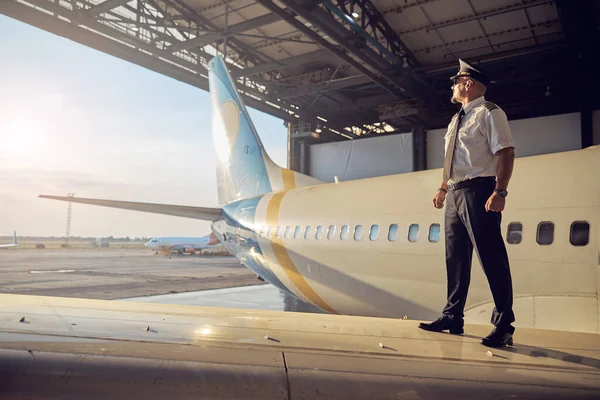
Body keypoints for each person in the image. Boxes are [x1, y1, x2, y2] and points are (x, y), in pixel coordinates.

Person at [418, 59, 516, 348]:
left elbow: (506, 152)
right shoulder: (456, 119)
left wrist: (500, 192)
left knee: (491, 258)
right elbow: (452, 160)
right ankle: (452, 316)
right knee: (456, 258)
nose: (452, 85)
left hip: (479, 190)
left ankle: (504, 325)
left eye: (455, 80)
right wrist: (442, 187)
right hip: (455, 193)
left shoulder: (489, 113)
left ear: (467, 84)